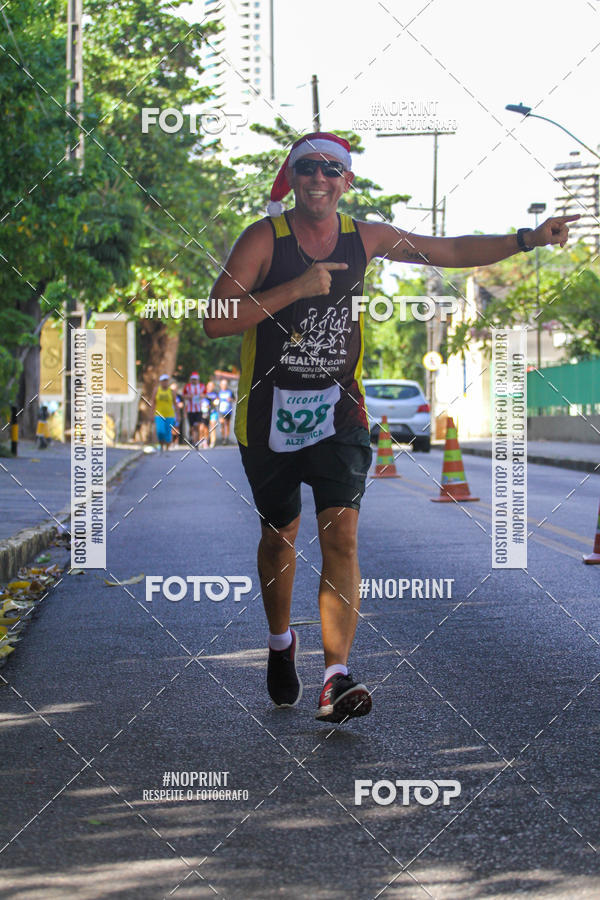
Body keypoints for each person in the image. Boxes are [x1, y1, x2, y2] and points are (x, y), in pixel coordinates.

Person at [205, 131, 577, 724]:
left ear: (345, 180)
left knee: (341, 537)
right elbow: (217, 320)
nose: (319, 178)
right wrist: (297, 288)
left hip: (338, 411)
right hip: (267, 413)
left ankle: (335, 677)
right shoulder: (263, 239)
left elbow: (447, 250)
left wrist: (528, 239)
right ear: (293, 178)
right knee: (279, 538)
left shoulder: (364, 236)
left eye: (331, 168)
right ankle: (280, 643)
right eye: (307, 168)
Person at [152, 374, 177, 452]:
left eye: (166, 381)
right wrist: (151, 413)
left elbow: (175, 403)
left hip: (170, 415)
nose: (165, 383)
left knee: (168, 432)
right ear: (160, 382)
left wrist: (178, 415)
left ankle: (167, 448)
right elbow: (153, 402)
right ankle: (161, 445)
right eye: (163, 381)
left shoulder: (171, 391)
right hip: (159, 414)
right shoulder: (157, 390)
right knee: (160, 431)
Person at [183, 371, 205, 446]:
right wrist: (189, 396)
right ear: (191, 379)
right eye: (193, 379)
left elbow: (205, 394)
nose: (194, 381)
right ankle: (192, 437)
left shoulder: (202, 386)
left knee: (197, 425)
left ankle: (196, 442)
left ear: (198, 379)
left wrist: (202, 396)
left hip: (198, 409)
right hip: (190, 410)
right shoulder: (187, 387)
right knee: (192, 427)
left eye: (195, 379)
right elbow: (184, 396)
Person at [217, 378, 235, 444]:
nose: (224, 385)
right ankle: (223, 437)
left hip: (228, 410)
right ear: (220, 385)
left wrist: (230, 399)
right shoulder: (218, 392)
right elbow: (215, 400)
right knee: (222, 423)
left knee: (227, 424)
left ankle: (226, 439)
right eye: (223, 384)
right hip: (221, 410)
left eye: (225, 384)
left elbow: (234, 399)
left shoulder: (230, 391)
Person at [204, 380, 219, 449]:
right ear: (207, 386)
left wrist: (214, 402)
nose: (210, 387)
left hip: (213, 412)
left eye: (212, 386)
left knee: (213, 426)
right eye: (209, 385)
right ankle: (205, 441)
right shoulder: (203, 392)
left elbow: (217, 401)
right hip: (205, 412)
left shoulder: (215, 393)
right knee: (205, 427)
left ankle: (213, 442)